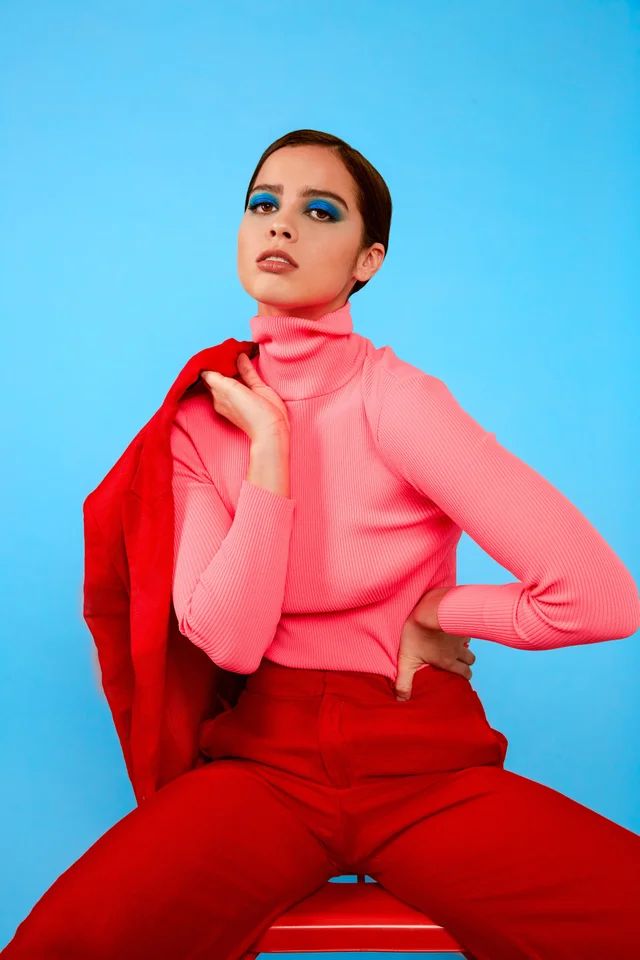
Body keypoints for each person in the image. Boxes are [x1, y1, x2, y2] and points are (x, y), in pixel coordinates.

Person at [4, 128, 639, 960]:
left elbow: (600, 597)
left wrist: (443, 608)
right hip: (266, 769)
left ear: (366, 260)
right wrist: (270, 447)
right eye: (264, 205)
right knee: (65, 944)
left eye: (320, 210)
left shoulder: (397, 401)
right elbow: (229, 638)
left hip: (425, 770)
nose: (281, 225)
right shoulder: (204, 419)